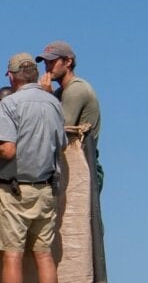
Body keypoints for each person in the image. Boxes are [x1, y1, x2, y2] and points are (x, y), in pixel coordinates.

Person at [0, 52, 66, 283]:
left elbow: (8, 150)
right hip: (47, 189)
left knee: (13, 256)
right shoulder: (53, 103)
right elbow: (62, 144)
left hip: (15, 189)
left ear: (12, 76)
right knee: (44, 256)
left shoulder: (10, 104)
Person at [36, 40, 102, 192]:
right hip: (70, 164)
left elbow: (61, 131)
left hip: (84, 164)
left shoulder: (76, 89)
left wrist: (47, 97)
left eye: (52, 62)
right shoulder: (60, 92)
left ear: (68, 62)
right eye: (46, 63)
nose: (47, 67)